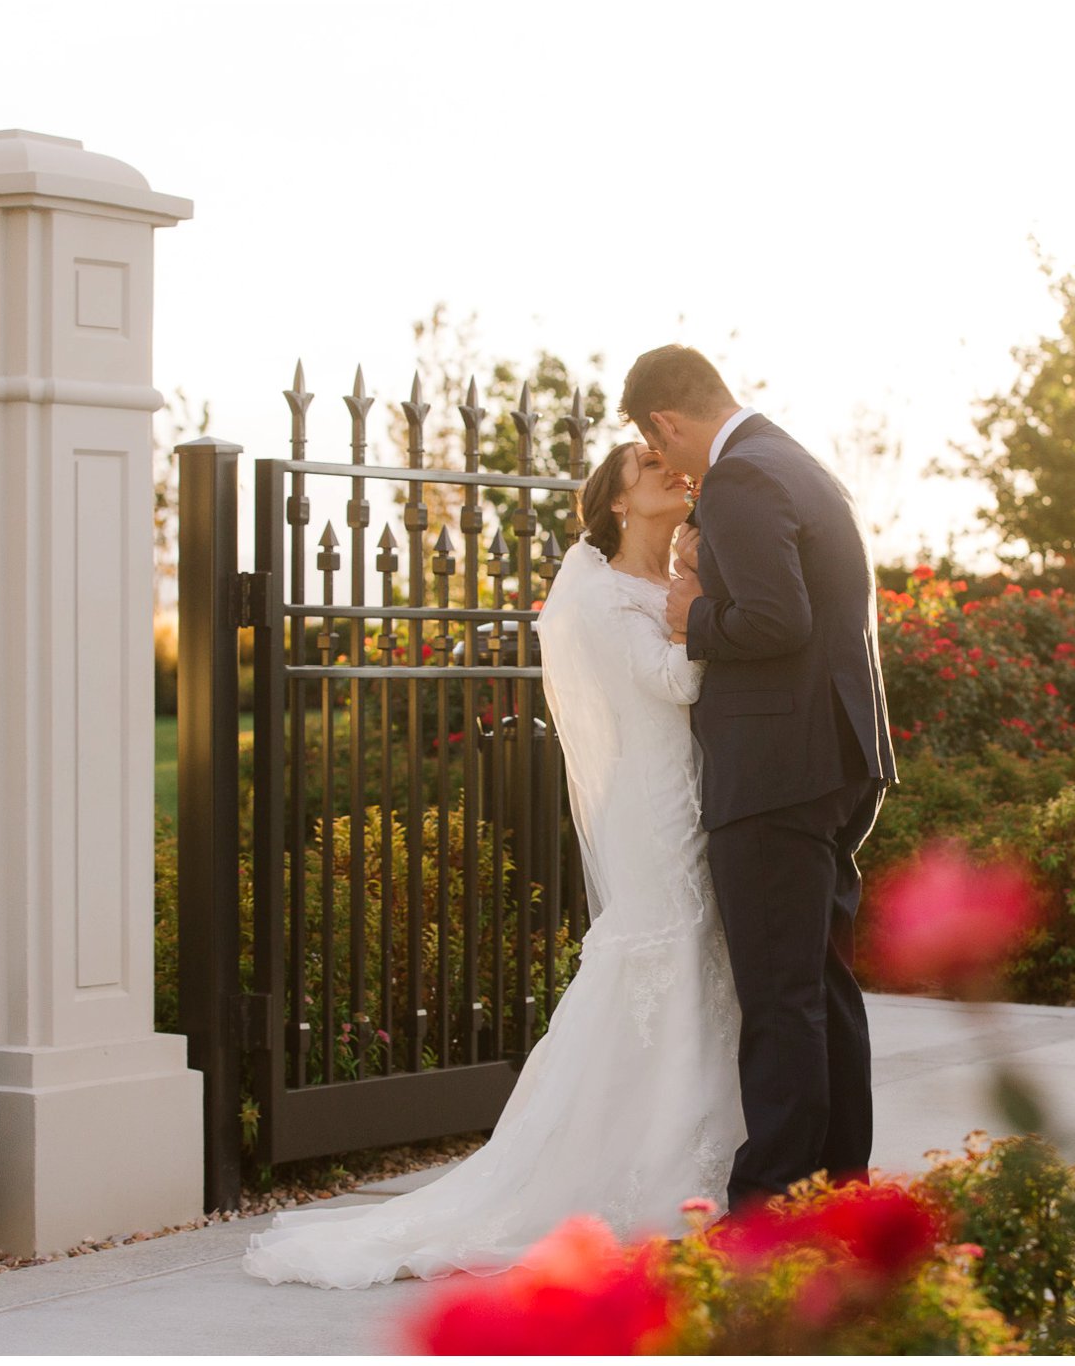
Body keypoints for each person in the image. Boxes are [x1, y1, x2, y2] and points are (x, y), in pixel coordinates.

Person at [239, 439, 744, 1289]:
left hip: (690, 792)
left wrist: (692, 594)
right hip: (650, 807)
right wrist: (699, 607)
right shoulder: (598, 595)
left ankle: (698, 1154)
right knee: (662, 957)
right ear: (619, 502)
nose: (670, 473)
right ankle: (634, 1173)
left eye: (670, 464)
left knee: (701, 966)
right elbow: (676, 683)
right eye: (649, 469)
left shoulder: (665, 580)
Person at [624, 344, 898, 1210]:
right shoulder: (794, 460)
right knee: (819, 983)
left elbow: (777, 618)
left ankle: (772, 1203)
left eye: (659, 449)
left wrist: (693, 616)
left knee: (779, 999)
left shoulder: (742, 476)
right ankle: (840, 1186)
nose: (670, 468)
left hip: (778, 770)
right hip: (833, 757)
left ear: (667, 422)